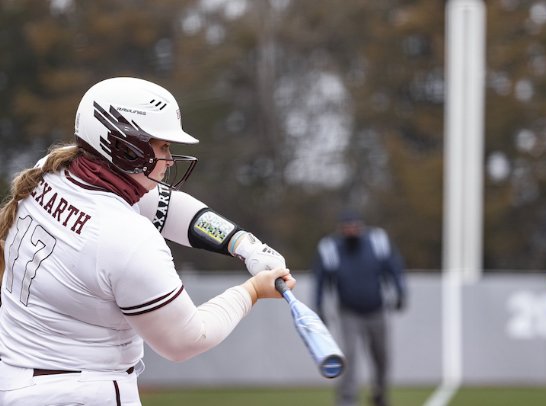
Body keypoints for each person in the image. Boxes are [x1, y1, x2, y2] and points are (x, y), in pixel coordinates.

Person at [0, 77, 295, 405]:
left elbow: (167, 207)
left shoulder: (52, 174)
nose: (169, 160)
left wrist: (244, 245)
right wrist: (251, 292)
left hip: (16, 382)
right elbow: (185, 340)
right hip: (80, 392)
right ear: (126, 149)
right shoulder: (127, 236)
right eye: (163, 146)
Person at [313, 210, 406, 406]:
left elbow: (394, 268)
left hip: (376, 310)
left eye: (355, 226)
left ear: (362, 227)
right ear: (341, 229)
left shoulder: (377, 241)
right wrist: (319, 306)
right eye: (347, 227)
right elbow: (321, 280)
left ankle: (379, 394)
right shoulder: (330, 247)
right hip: (348, 312)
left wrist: (400, 291)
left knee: (381, 356)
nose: (352, 230)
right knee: (348, 356)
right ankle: (347, 400)